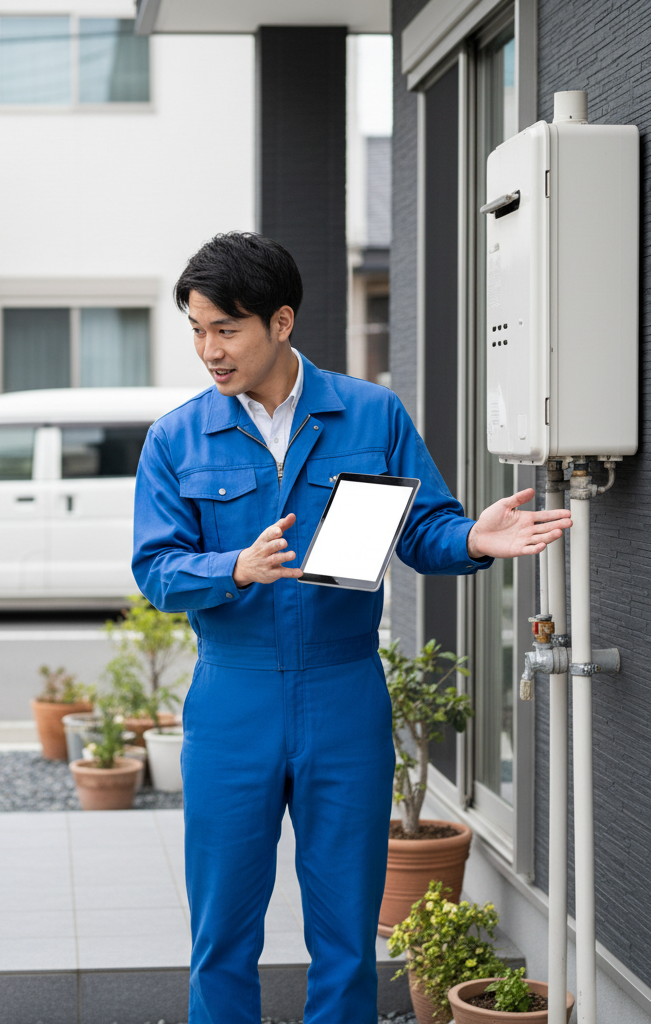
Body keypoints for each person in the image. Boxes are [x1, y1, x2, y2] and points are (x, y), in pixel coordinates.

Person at [131, 233, 571, 1024]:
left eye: (225, 328)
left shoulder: (371, 414)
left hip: (343, 694)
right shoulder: (176, 438)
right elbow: (156, 569)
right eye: (197, 330)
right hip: (233, 697)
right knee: (222, 933)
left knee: (347, 937)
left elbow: (424, 528)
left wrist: (475, 537)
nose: (209, 350)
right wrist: (232, 568)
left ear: (282, 321)